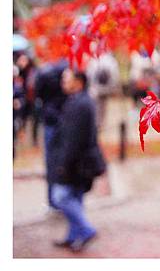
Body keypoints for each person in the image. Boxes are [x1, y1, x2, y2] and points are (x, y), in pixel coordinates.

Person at [49, 69, 104, 252]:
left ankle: (86, 230)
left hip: (76, 162)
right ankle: (73, 237)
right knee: (75, 198)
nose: (62, 83)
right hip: (81, 162)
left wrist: (63, 164)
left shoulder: (80, 104)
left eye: (66, 79)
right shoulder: (79, 101)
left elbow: (73, 139)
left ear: (78, 82)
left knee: (61, 197)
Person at [35, 59, 68, 209]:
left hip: (51, 120)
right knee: (63, 159)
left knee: (51, 161)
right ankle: (62, 199)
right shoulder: (68, 69)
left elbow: (38, 94)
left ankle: (53, 200)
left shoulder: (44, 72)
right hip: (62, 118)